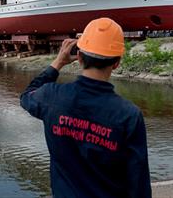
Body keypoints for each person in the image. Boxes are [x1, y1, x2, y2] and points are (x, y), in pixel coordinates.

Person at [20, 18, 151, 198]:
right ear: (116, 63)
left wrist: (57, 63)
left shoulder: (51, 97)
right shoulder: (129, 115)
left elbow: (27, 95)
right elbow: (139, 183)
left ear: (79, 57)